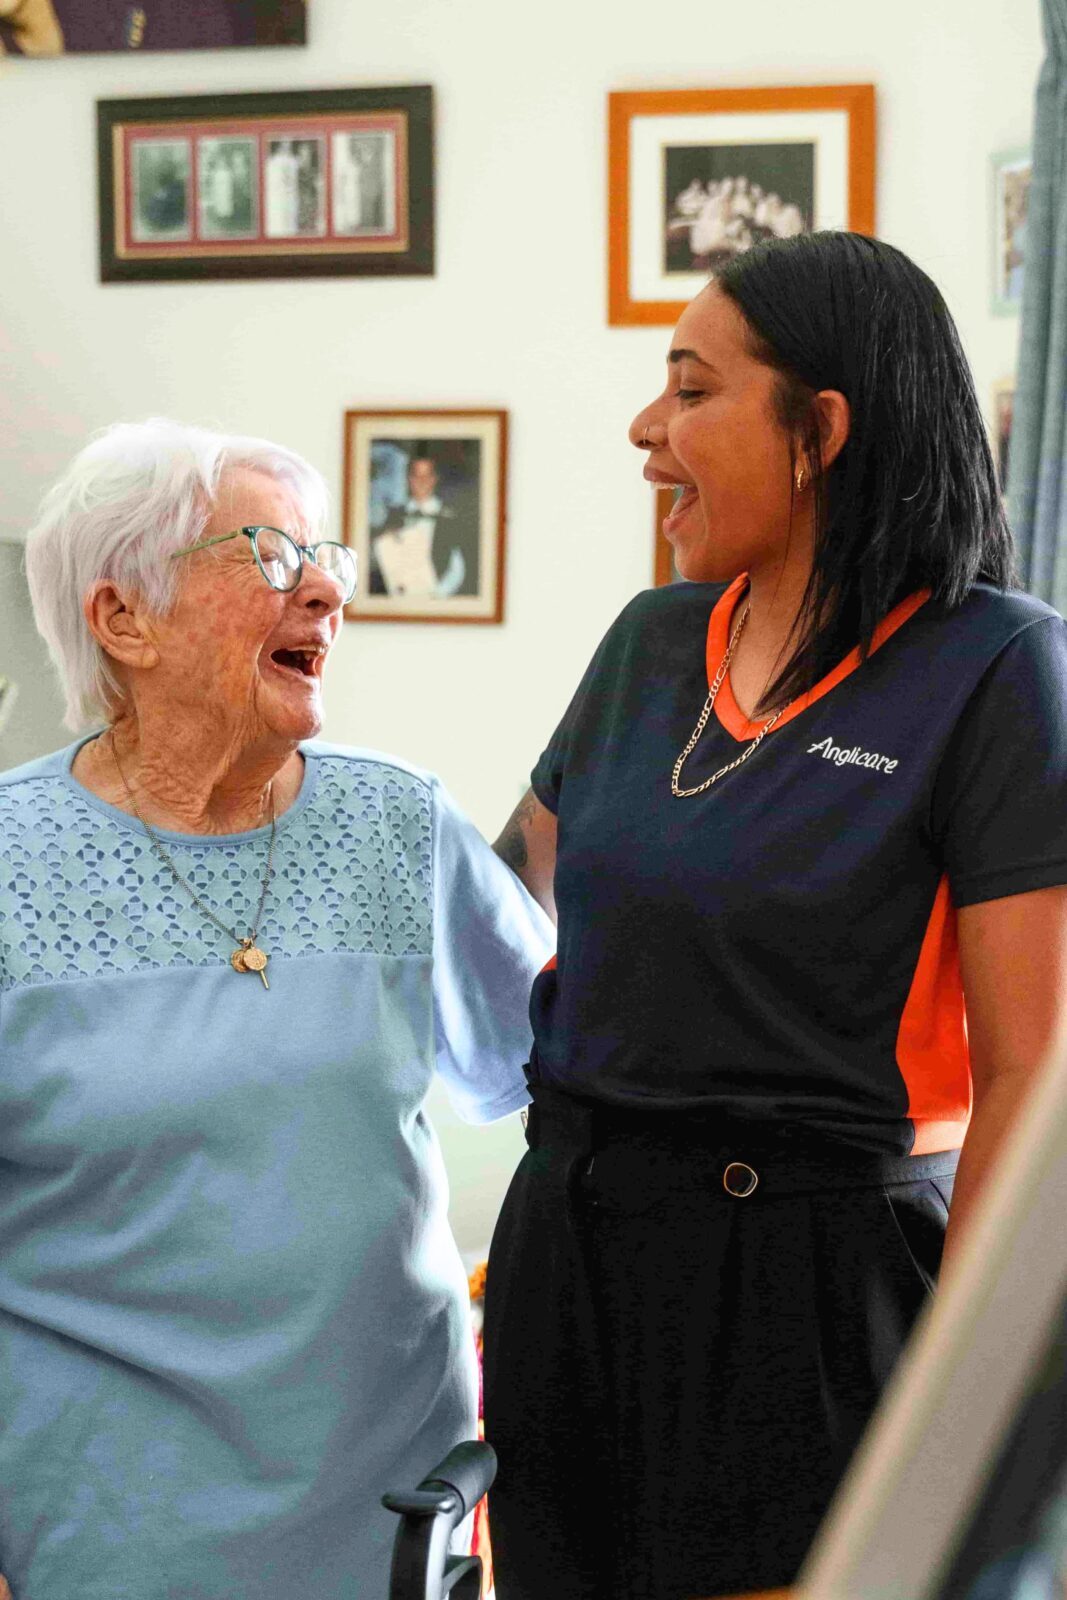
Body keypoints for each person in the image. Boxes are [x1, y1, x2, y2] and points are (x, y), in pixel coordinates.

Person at [483, 231, 1067, 1600]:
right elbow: (496, 906)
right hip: (567, 1249)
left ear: (818, 429)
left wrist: (953, 1407)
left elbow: (1027, 1082)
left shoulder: (996, 672)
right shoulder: (644, 645)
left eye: (689, 389)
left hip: (805, 1288)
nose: (645, 429)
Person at [0, 419, 553, 1599]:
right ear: (122, 619)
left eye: (327, 559)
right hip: (102, 1532)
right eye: (265, 554)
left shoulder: (399, 828)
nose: (323, 592)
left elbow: (553, 1069)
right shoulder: (10, 861)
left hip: (393, 1522)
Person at [371, 451, 479, 599]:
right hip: (399, 604)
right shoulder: (393, 516)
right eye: (416, 475)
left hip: (439, 602)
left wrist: (437, 595)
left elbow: (458, 567)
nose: (421, 481)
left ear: (435, 479)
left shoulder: (451, 518)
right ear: (409, 479)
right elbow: (379, 560)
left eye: (427, 475)